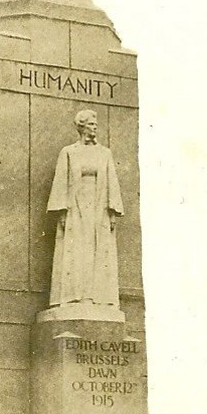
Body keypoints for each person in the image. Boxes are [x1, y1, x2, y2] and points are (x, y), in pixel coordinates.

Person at [47, 109, 123, 313]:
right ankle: (75, 296)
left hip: (98, 209)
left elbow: (112, 182)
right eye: (90, 124)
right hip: (76, 207)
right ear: (81, 127)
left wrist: (112, 211)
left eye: (96, 125)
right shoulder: (69, 152)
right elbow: (61, 181)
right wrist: (62, 211)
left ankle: (98, 297)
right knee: (77, 250)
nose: (94, 128)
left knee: (98, 250)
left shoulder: (104, 153)